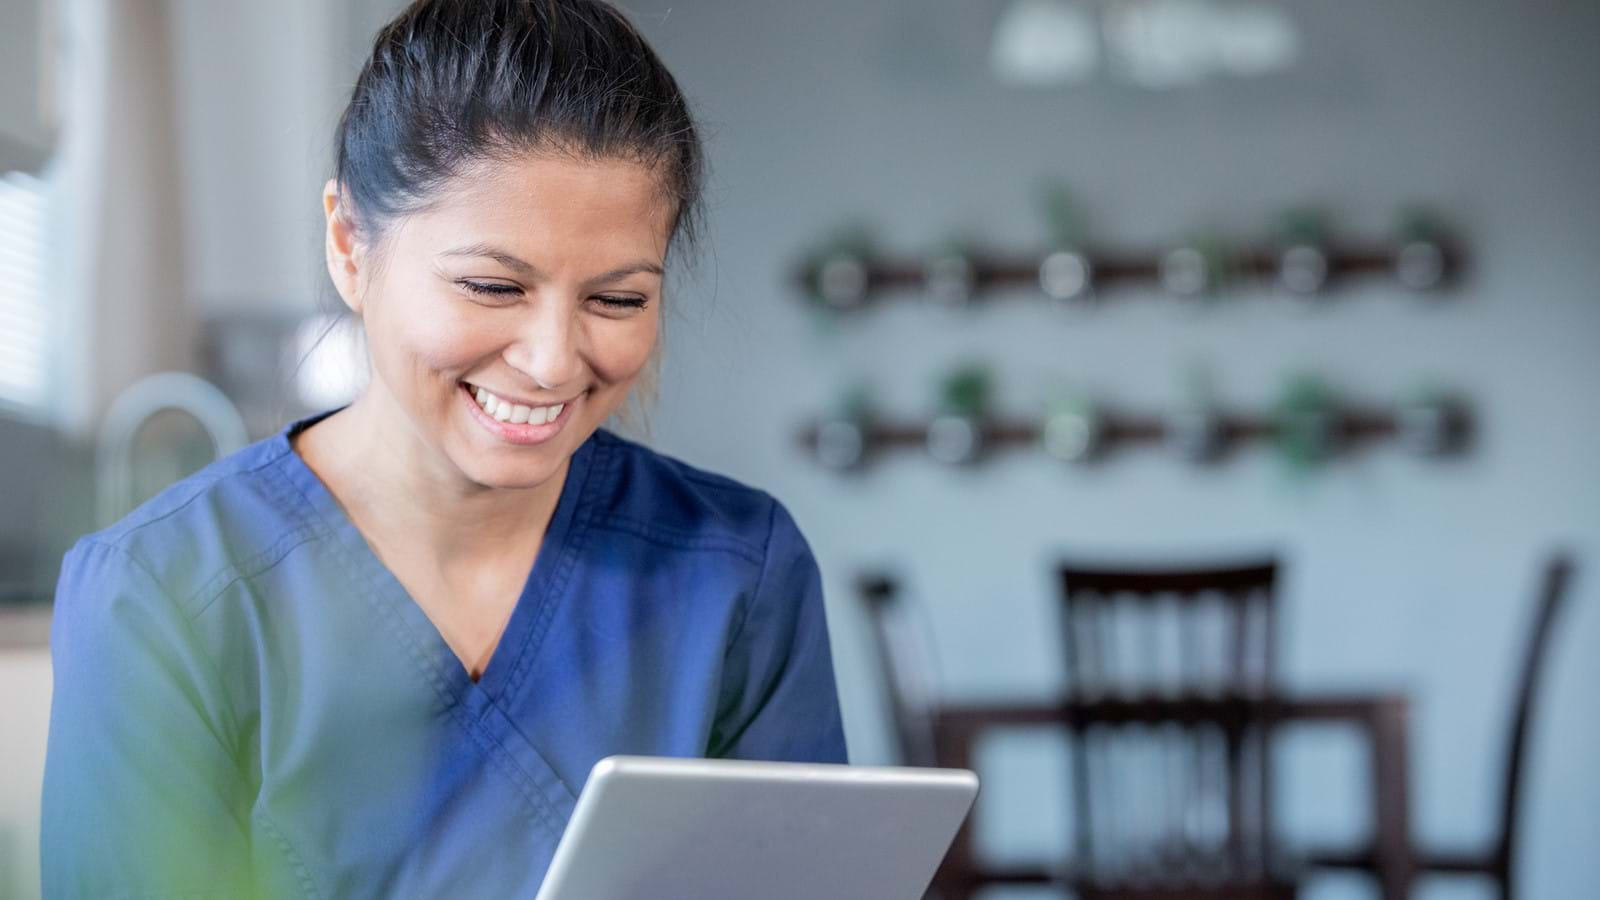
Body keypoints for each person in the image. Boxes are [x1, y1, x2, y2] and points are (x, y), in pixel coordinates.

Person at [39, 1, 848, 896]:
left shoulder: (738, 567)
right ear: (351, 246)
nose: (551, 361)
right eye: (493, 285)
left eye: (617, 300)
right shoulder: (162, 594)